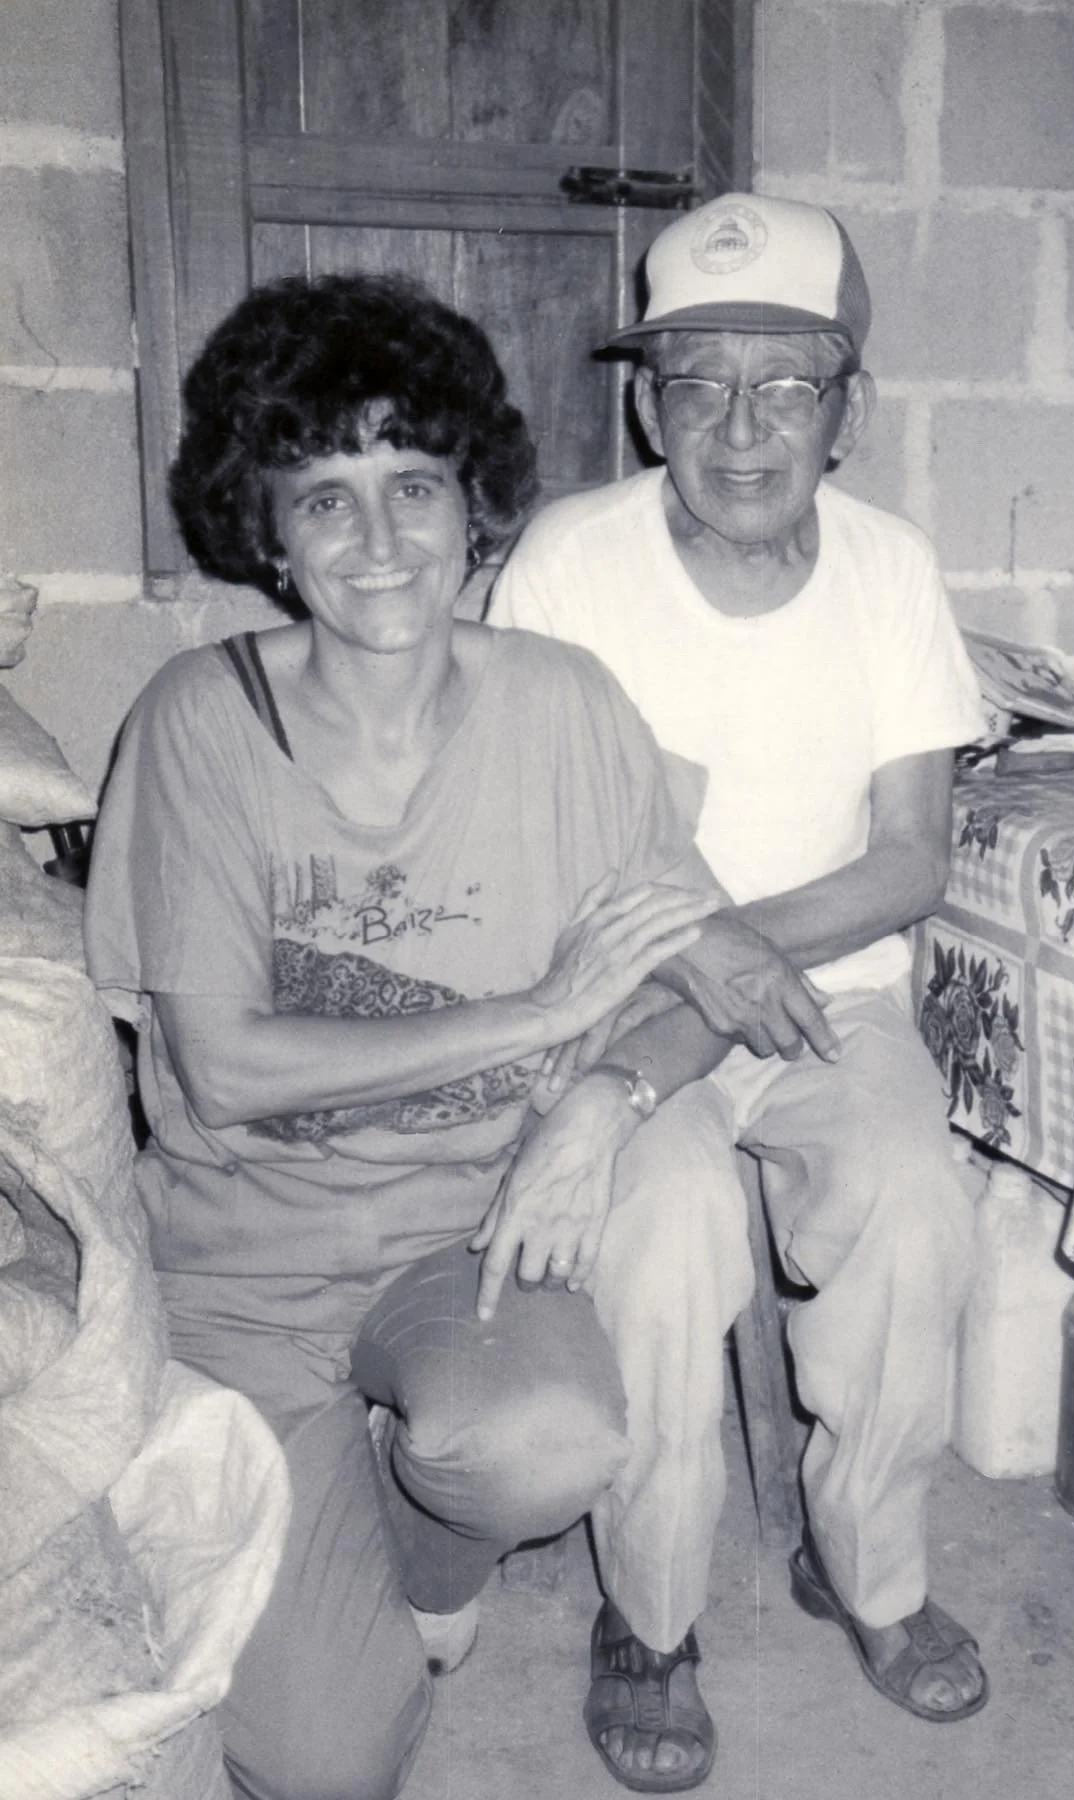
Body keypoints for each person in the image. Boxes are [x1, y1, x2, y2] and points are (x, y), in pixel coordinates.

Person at [80, 270, 825, 1800]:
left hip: (467, 1246)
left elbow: (702, 970)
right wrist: (541, 1014)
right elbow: (224, 1066)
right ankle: (312, 1512)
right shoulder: (194, 724)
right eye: (326, 499)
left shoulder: (565, 707)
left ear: (474, 501)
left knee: (542, 1443)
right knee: (318, 1765)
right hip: (237, 1272)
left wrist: (604, 1092)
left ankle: (428, 1562)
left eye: (413, 486)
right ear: (265, 529)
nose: (380, 544)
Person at [488, 191, 994, 1793]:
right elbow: (541, 847)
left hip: (834, 999)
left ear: (848, 409)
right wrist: (683, 995)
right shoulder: (569, 564)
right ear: (647, 404)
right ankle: (647, 1616)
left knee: (919, 1206)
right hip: (627, 1006)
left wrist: (744, 947)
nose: (742, 427)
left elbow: (912, 859)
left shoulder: (894, 568)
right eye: (698, 385)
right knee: (667, 1228)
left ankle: (869, 1567)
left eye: (787, 385)